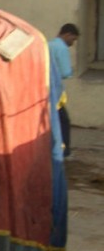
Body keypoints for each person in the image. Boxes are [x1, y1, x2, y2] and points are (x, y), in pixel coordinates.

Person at [48, 23, 79, 158]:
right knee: (63, 122)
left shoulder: (47, 45)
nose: (72, 43)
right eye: (73, 39)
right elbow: (65, 72)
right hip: (55, 92)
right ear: (67, 34)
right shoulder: (62, 48)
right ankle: (65, 151)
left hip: (43, 90)